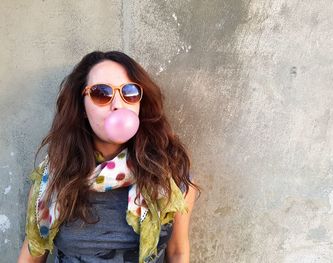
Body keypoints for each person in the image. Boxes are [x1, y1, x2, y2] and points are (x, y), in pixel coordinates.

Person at [18, 51, 198, 263]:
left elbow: (177, 252)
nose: (117, 105)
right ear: (82, 107)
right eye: (101, 93)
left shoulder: (170, 177)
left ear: (139, 103)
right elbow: (32, 255)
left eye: (129, 92)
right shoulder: (51, 182)